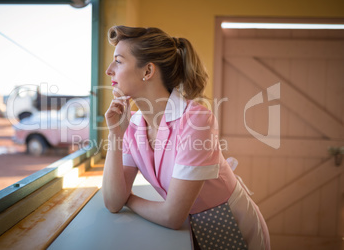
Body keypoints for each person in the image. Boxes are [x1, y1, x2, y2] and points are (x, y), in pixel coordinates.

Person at [102, 25, 270, 250]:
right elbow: (113, 202)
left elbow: (171, 216)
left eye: (119, 61)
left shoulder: (196, 120)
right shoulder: (132, 123)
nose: (108, 70)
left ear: (147, 71)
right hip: (186, 230)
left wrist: (127, 198)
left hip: (227, 227)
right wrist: (115, 134)